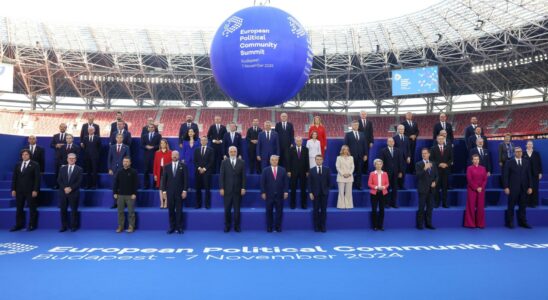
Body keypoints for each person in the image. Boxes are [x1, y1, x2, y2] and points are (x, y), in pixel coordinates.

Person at [9, 149, 41, 232]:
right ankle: (18, 225)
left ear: (29, 155)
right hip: (19, 190)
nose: (24, 156)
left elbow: (37, 179)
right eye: (23, 154)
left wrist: (35, 190)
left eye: (26, 154)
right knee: (19, 208)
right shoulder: (18, 164)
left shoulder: (35, 164)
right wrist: (13, 189)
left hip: (30, 191)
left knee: (32, 208)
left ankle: (31, 225)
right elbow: (14, 178)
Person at [503, 147, 533, 229]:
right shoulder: (509, 162)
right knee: (511, 205)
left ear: (522, 153)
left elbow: (529, 175)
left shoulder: (526, 162)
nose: (519, 153)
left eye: (520, 151)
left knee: (523, 206)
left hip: (524, 188)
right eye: (517, 152)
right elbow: (505, 176)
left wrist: (530, 186)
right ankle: (510, 222)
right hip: (512, 188)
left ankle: (523, 222)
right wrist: (506, 187)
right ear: (514, 153)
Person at [219, 146, 246, 232]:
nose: (233, 153)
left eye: (234, 151)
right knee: (227, 209)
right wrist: (221, 188)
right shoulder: (224, 162)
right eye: (231, 151)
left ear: (237, 152)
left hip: (238, 190)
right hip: (227, 190)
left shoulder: (242, 162)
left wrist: (243, 188)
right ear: (228, 152)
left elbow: (244, 177)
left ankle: (237, 226)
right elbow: (221, 176)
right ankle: (227, 226)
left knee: (237, 210)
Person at [161, 151, 188, 234]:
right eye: (173, 155)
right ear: (171, 156)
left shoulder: (183, 166)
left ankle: (179, 227)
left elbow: (186, 179)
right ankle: (172, 227)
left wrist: (184, 190)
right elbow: (164, 180)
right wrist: (164, 192)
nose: (174, 156)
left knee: (179, 210)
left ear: (179, 156)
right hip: (169, 192)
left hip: (180, 192)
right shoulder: (166, 166)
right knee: (171, 210)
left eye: (176, 155)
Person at [260, 155, 289, 232]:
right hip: (269, 195)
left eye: (276, 160)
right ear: (270, 161)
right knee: (269, 212)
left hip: (280, 195)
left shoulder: (283, 170)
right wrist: (263, 192)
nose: (274, 161)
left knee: (279, 212)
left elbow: (286, 182)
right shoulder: (265, 170)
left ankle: (278, 227)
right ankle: (269, 227)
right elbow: (262, 183)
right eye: (272, 160)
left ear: (278, 161)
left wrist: (286, 191)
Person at [57, 153, 83, 232]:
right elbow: (59, 180)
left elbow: (79, 181)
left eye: (73, 158)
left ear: (75, 159)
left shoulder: (79, 169)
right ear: (67, 159)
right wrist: (65, 188)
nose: (71, 159)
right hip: (63, 192)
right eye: (70, 158)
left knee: (74, 210)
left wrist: (71, 188)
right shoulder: (62, 168)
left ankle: (73, 226)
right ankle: (63, 226)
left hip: (74, 192)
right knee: (63, 210)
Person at [113, 157, 139, 233]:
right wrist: (114, 192)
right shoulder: (119, 171)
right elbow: (115, 183)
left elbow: (136, 184)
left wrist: (134, 193)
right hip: (120, 195)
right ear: (122, 162)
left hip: (130, 195)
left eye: (127, 161)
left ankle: (131, 226)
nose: (125, 163)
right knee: (120, 212)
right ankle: (120, 227)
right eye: (124, 161)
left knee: (131, 212)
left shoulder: (133, 172)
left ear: (130, 163)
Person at [378, 138, 404, 208]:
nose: (391, 142)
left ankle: (393, 203)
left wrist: (400, 171)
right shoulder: (383, 151)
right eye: (389, 141)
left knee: (395, 189)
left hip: (395, 173)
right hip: (386, 173)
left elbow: (400, 162)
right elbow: (381, 162)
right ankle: (386, 203)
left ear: (394, 142)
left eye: (392, 141)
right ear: (387, 143)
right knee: (386, 189)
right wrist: (382, 173)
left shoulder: (398, 151)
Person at [415, 148, 438, 230]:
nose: (424, 155)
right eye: (422, 153)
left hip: (431, 190)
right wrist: (425, 168)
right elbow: (418, 176)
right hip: (422, 189)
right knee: (421, 207)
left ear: (429, 154)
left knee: (430, 208)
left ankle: (429, 224)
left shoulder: (433, 164)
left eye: (425, 153)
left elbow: (436, 175)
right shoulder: (419, 164)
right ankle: (420, 225)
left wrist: (435, 182)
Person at [107, 134, 131, 209]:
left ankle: (124, 203)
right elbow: (109, 159)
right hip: (114, 170)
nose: (119, 139)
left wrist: (127, 167)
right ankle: (115, 203)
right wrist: (109, 169)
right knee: (115, 187)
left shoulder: (126, 147)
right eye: (118, 137)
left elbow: (128, 158)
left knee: (124, 186)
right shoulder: (112, 147)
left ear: (123, 138)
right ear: (116, 138)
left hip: (123, 169)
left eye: (121, 137)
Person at [308, 154, 330, 232]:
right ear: (315, 160)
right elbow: (309, 183)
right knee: (316, 210)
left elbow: (329, 182)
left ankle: (323, 226)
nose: (319, 161)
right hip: (315, 194)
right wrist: (310, 193)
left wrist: (327, 190)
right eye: (317, 159)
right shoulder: (311, 170)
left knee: (324, 211)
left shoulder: (327, 170)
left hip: (324, 194)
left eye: (320, 159)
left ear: (322, 160)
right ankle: (316, 227)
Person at [464, 154, 487, 229]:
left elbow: (485, 179)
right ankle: (471, 224)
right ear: (472, 160)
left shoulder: (483, 168)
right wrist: (476, 187)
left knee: (480, 207)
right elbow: (469, 180)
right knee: (471, 206)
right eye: (474, 159)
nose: (476, 160)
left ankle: (480, 224)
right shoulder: (469, 168)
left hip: (481, 190)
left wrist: (481, 187)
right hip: (472, 189)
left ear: (479, 160)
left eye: (477, 159)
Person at [430, 135, 453, 208]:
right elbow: (431, 159)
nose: (440, 140)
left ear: (444, 140)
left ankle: (444, 203)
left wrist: (446, 164)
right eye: (439, 139)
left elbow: (451, 159)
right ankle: (436, 203)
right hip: (437, 171)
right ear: (437, 140)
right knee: (436, 188)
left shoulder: (449, 148)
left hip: (445, 170)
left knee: (445, 188)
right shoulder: (433, 148)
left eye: (442, 139)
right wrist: (439, 164)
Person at [344, 120, 368, 189]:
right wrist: (346, 155)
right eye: (354, 125)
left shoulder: (362, 134)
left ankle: (358, 185)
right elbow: (346, 145)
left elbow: (365, 145)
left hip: (360, 156)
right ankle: (349, 185)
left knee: (359, 172)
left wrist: (365, 154)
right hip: (350, 156)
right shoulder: (348, 134)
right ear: (352, 126)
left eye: (357, 125)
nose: (356, 126)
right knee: (350, 171)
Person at [288, 137, 310, 209]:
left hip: (303, 172)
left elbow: (307, 161)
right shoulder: (291, 149)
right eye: (297, 141)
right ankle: (292, 204)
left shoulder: (306, 149)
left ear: (302, 141)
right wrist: (288, 171)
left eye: (300, 141)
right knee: (293, 189)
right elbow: (289, 161)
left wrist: (307, 171)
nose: (298, 142)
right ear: (295, 141)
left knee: (303, 189)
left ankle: (304, 205)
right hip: (293, 172)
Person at [368, 159, 389, 231]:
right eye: (377, 164)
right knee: (374, 209)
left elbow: (387, 184)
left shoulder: (385, 173)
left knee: (382, 209)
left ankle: (381, 225)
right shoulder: (372, 174)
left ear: (382, 165)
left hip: (383, 193)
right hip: (374, 193)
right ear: (374, 165)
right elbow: (369, 184)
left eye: (380, 164)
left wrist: (383, 187)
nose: (378, 165)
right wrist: (376, 187)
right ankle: (375, 226)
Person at [194, 136, 214, 209]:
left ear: (207, 141)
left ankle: (207, 204)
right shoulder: (196, 150)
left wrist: (204, 169)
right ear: (200, 141)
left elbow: (211, 161)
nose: (203, 141)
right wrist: (199, 168)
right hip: (198, 172)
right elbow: (195, 161)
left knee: (207, 189)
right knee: (198, 189)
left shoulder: (211, 150)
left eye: (205, 140)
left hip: (207, 172)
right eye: (202, 140)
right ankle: (198, 204)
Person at [523, 140, 543, 208]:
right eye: (528, 144)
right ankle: (526, 202)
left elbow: (539, 163)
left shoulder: (536, 153)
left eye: (531, 144)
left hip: (535, 174)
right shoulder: (523, 153)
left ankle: (534, 203)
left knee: (535, 188)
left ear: (532, 145)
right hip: (525, 174)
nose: (529, 145)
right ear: (526, 145)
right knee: (526, 187)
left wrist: (540, 172)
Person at [141, 124, 161, 189]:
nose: (151, 128)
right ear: (148, 128)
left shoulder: (158, 135)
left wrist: (153, 147)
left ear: (154, 128)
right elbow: (141, 145)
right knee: (146, 171)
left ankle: (156, 185)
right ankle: (146, 185)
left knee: (155, 171)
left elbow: (160, 145)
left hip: (155, 156)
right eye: (149, 127)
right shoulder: (144, 136)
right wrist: (146, 146)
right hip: (146, 156)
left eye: (152, 127)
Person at [153, 139, 172, 208]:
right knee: (161, 188)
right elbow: (155, 164)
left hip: (168, 173)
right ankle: (162, 202)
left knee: (166, 188)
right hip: (159, 172)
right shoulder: (157, 153)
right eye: (161, 143)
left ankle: (166, 202)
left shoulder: (170, 152)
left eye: (164, 143)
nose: (162, 145)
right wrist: (155, 174)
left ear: (166, 144)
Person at [336, 145, 354, 209]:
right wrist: (343, 174)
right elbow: (337, 167)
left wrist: (349, 173)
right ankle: (341, 206)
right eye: (344, 149)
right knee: (341, 192)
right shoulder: (339, 158)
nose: (345, 151)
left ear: (348, 150)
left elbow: (352, 167)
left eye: (347, 149)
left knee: (348, 192)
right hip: (341, 177)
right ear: (342, 150)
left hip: (349, 177)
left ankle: (348, 205)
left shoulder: (351, 157)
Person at [50, 123, 68, 189]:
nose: (62, 128)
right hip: (57, 157)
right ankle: (57, 185)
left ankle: (64, 185)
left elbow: (71, 145)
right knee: (57, 171)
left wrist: (64, 145)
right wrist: (56, 145)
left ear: (66, 128)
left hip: (66, 157)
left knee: (65, 172)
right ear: (59, 127)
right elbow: (51, 145)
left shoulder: (69, 136)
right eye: (61, 127)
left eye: (64, 127)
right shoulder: (55, 136)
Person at [393, 124, 411, 188]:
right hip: (396, 158)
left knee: (403, 172)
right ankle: (396, 185)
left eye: (402, 129)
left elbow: (408, 148)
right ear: (397, 130)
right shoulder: (394, 138)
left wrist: (409, 156)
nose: (401, 130)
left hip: (404, 158)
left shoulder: (406, 138)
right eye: (400, 129)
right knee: (397, 172)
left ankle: (402, 185)